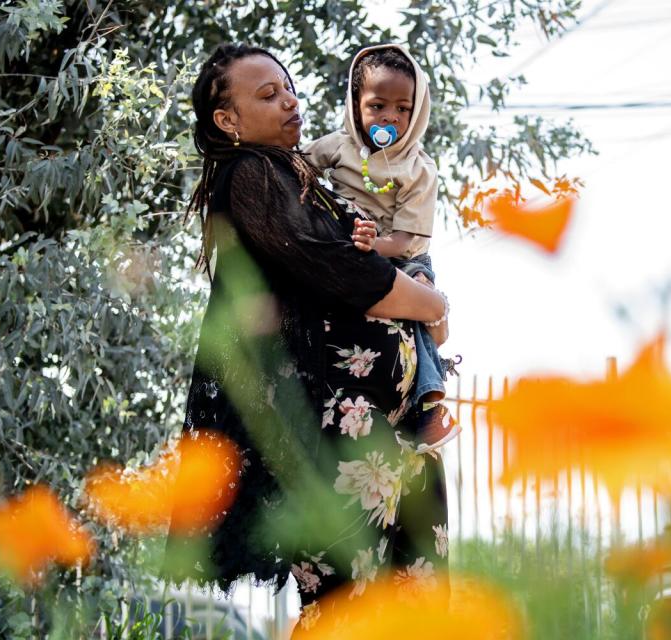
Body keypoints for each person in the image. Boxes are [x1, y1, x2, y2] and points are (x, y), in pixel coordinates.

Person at [176, 43, 451, 630]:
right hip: (336, 435)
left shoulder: (303, 175)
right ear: (228, 120)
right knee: (344, 604)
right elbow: (338, 268)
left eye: (289, 87)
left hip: (393, 429)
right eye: (267, 95)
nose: (289, 101)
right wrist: (431, 302)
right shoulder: (250, 175)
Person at [304, 44, 459, 453]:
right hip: (352, 247)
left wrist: (376, 245)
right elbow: (298, 165)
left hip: (403, 256)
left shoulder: (418, 169)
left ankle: (428, 405)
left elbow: (408, 240)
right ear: (356, 106)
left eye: (402, 108)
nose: (390, 117)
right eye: (378, 105)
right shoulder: (339, 146)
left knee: (419, 306)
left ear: (417, 111)